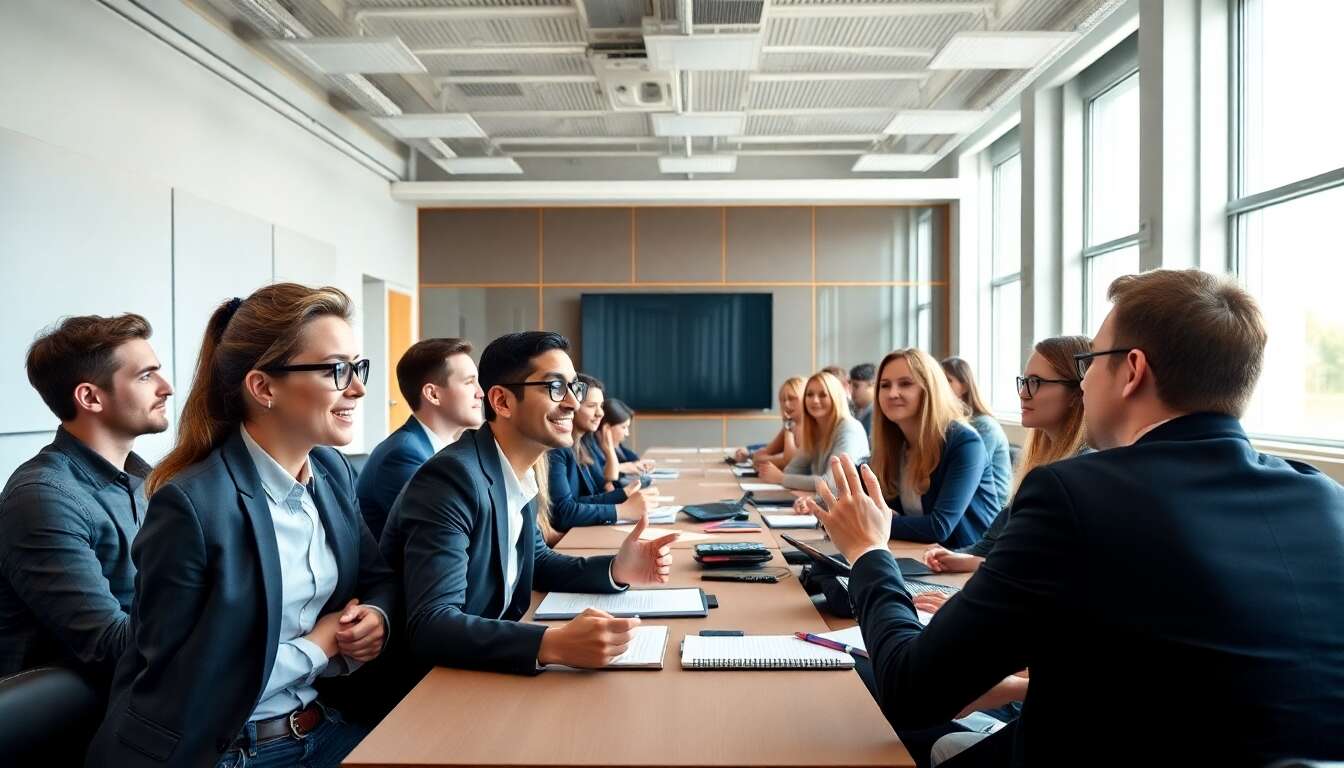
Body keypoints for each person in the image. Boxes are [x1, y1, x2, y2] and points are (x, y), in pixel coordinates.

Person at [808, 269, 1344, 766]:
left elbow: (912, 691)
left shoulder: (1077, 494)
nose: (1083, 385)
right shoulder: (1324, 499)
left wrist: (868, 551)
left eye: (1089, 364)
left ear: (1132, 371)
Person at [86, 285, 397, 768]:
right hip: (226, 749)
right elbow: (182, 676)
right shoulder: (190, 505)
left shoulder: (332, 471)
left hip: (317, 726)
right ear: (263, 388)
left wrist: (374, 616)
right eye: (336, 369)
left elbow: (378, 579)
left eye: (358, 368)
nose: (357, 388)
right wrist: (320, 645)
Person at [380, 332, 679, 675]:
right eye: (555, 387)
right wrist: (551, 644)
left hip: (482, 665)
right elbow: (432, 624)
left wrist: (616, 569)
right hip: (431, 684)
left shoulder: (520, 468)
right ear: (502, 401)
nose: (573, 403)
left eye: (574, 387)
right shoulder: (451, 479)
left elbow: (538, 561)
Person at [0, 314, 172, 688]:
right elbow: (110, 647)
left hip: (148, 695)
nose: (167, 388)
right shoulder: (42, 498)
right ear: (90, 397)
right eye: (146, 376)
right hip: (80, 715)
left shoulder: (151, 483)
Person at [922, 337, 1091, 589]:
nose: (1023, 393)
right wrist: (961, 558)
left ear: (1077, 392)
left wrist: (974, 563)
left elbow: (1045, 569)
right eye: (1024, 381)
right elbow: (992, 544)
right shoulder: (1041, 460)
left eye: (1036, 382)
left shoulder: (1082, 469)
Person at [866, 349, 999, 548]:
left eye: (905, 383)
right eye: (884, 385)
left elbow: (939, 527)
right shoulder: (894, 445)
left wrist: (871, 521)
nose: (892, 393)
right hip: (917, 554)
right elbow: (884, 509)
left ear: (930, 389)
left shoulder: (965, 443)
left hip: (967, 559)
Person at [357, 338, 483, 539]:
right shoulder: (403, 455)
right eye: (469, 382)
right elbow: (445, 535)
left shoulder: (449, 450)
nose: (480, 393)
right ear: (433, 394)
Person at [547, 375, 657, 531]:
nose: (600, 413)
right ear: (572, 406)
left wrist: (624, 494)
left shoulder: (584, 443)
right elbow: (563, 512)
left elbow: (595, 492)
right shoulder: (556, 449)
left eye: (601, 406)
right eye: (592, 406)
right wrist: (622, 508)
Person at [756, 371, 868, 491]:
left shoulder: (849, 428)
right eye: (809, 394)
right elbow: (792, 470)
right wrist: (784, 477)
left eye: (823, 395)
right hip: (821, 500)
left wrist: (781, 478)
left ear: (836, 398)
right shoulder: (815, 429)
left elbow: (832, 483)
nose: (814, 400)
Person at [939, 357, 1011, 509]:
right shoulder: (949, 423)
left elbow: (966, 473)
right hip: (965, 502)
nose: (940, 385)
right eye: (938, 379)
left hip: (991, 511)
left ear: (964, 387)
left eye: (948, 380)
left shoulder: (984, 426)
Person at [734, 377, 804, 468]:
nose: (786, 404)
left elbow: (790, 462)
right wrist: (752, 455)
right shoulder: (790, 425)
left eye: (792, 398)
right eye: (783, 400)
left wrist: (764, 459)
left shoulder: (807, 427)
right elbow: (767, 451)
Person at [850, 363, 877, 436]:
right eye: (851, 385)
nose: (851, 390)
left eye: (856, 386)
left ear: (872, 385)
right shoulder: (854, 410)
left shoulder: (878, 416)